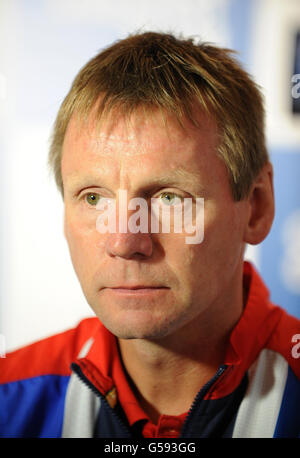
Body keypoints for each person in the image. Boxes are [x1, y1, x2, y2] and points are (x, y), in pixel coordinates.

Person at [0, 31, 299, 439]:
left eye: (169, 198)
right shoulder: (9, 396)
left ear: (257, 207)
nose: (124, 242)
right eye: (93, 198)